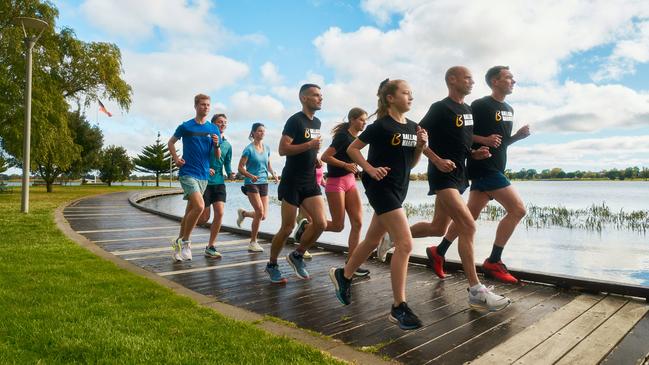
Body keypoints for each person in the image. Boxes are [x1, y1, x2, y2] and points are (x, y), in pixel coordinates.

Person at [401, 66, 511, 312]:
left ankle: (393, 235)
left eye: (472, 78)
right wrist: (436, 159)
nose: (472, 82)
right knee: (468, 225)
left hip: (460, 174)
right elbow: (418, 135)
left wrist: (475, 153)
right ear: (452, 80)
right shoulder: (441, 107)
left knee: (437, 227)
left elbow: (464, 142)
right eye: (468, 78)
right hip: (442, 174)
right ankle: (475, 290)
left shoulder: (468, 110)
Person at [329, 79, 427, 330]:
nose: (411, 97)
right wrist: (370, 169)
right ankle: (398, 306)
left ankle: (345, 274)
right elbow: (353, 149)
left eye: (411, 93)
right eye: (406, 93)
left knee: (373, 239)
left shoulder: (415, 127)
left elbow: (411, 164)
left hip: (399, 188)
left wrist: (420, 147)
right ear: (391, 98)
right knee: (405, 243)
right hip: (380, 188)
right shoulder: (380, 126)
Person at [428, 66, 530, 284]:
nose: (514, 81)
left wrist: (517, 137)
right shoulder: (480, 105)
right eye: (509, 77)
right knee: (518, 210)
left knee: (469, 216)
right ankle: (493, 261)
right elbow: (463, 135)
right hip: (483, 167)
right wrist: (482, 141)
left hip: (494, 165)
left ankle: (440, 250)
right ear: (495, 81)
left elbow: (501, 143)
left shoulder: (509, 109)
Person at [265, 84, 327, 284]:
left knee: (321, 223)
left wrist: (315, 157)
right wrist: (309, 145)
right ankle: (272, 264)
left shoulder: (316, 122)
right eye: (315, 95)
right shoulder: (294, 121)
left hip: (309, 179)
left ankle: (297, 254)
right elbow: (283, 149)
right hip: (292, 180)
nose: (320, 98)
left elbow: (309, 148)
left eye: (321, 95)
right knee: (287, 227)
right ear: (304, 98)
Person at [168, 94, 221, 262]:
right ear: (196, 106)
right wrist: (176, 159)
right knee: (199, 206)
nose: (206, 107)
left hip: (204, 175)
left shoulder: (213, 129)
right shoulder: (186, 126)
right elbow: (171, 142)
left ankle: (177, 242)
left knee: (189, 211)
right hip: (187, 172)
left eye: (208, 105)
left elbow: (217, 155)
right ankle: (186, 243)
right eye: (203, 104)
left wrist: (217, 144)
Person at [320, 107, 369, 276]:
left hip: (350, 181)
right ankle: (308, 227)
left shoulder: (357, 139)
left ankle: (351, 263)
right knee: (338, 225)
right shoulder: (342, 137)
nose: (365, 122)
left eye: (366, 120)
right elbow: (325, 157)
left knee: (358, 223)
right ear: (352, 119)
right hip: (336, 182)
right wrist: (345, 165)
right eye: (362, 119)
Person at [196, 113, 235, 259]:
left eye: (225, 122)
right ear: (213, 124)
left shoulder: (227, 145)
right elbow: (198, 158)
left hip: (219, 182)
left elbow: (227, 163)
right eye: (219, 122)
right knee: (205, 218)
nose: (223, 124)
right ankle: (185, 231)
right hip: (204, 181)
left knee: (219, 213)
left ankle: (210, 246)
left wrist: (231, 173)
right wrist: (206, 169)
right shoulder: (205, 140)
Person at [236, 122, 279, 252]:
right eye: (259, 131)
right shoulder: (248, 149)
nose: (262, 133)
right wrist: (250, 175)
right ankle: (253, 242)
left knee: (263, 216)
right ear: (253, 133)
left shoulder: (267, 148)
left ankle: (243, 213)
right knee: (259, 212)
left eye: (263, 131)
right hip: (251, 183)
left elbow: (268, 164)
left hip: (264, 183)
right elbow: (240, 168)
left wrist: (274, 174)